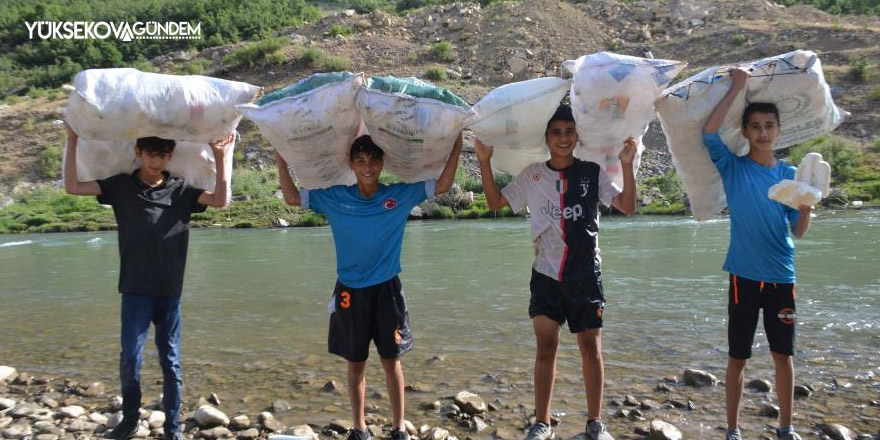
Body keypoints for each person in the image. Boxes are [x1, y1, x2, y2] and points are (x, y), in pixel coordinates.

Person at [276, 133, 463, 440]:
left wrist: (456, 147)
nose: (367, 167)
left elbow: (441, 186)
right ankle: (359, 427)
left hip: (388, 290)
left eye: (373, 161)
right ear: (351, 164)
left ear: (382, 163)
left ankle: (398, 427)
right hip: (349, 291)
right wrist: (281, 159)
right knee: (356, 362)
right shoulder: (335, 197)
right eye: (360, 161)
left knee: (392, 361)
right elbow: (292, 197)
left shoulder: (399, 196)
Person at [474, 104, 637, 440]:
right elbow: (493, 203)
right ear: (546, 137)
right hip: (546, 274)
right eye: (556, 132)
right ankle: (542, 422)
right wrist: (484, 161)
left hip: (585, 274)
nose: (563, 138)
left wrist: (626, 164)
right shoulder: (533, 175)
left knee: (590, 348)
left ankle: (595, 423)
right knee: (545, 348)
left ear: (578, 136)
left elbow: (627, 206)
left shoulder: (591, 173)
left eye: (569, 131)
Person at [63, 124, 234, 440]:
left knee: (171, 362)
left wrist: (221, 157)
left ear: (170, 156)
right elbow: (73, 186)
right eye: (152, 153)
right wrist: (73, 140)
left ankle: (172, 428)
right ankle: (130, 420)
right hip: (135, 289)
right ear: (138, 152)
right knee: (130, 357)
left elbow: (221, 200)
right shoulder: (120, 187)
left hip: (169, 290)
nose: (158, 159)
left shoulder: (182, 190)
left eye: (164, 154)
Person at [702, 68, 812, 440]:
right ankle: (733, 429)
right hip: (743, 278)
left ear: (778, 130)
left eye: (769, 125)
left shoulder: (790, 175)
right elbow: (708, 133)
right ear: (746, 132)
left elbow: (797, 230)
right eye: (756, 126)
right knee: (738, 356)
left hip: (782, 277)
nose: (763, 132)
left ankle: (786, 427)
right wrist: (736, 87)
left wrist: (807, 209)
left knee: (784, 356)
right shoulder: (734, 168)